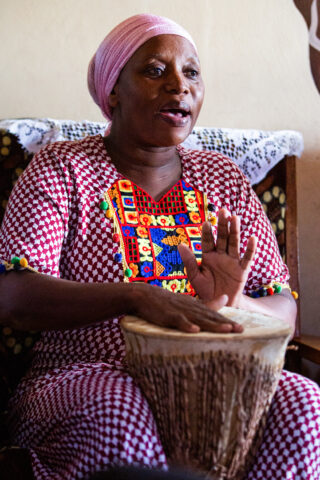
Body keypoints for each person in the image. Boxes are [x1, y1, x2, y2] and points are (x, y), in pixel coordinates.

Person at [0, 13, 319, 480]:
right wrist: (135, 296)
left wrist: (229, 304)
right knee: (118, 414)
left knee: (307, 405)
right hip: (86, 374)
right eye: (154, 71)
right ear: (113, 92)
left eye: (191, 72)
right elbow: (14, 298)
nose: (179, 86)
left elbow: (283, 312)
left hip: (216, 378)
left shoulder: (223, 178)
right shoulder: (63, 168)